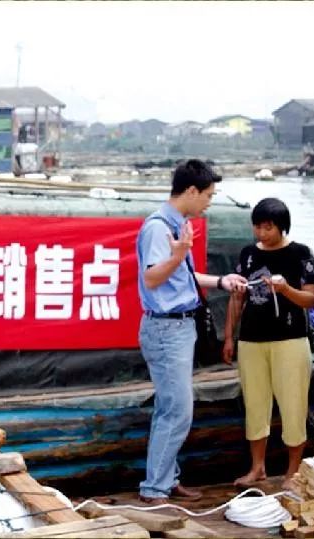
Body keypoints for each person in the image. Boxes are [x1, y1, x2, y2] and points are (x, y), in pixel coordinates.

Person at [135, 159, 247, 504]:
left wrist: (220, 281)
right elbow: (152, 277)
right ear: (191, 191)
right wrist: (178, 254)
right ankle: (155, 488)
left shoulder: (178, 224)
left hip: (179, 327)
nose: (209, 202)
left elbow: (181, 274)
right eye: (208, 195)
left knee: (170, 408)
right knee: (177, 411)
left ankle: (166, 479)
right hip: (166, 329)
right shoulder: (158, 228)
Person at [222, 198, 314, 491]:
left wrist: (285, 289)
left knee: (293, 404)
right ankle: (257, 467)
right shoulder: (248, 254)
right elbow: (237, 298)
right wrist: (229, 337)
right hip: (251, 341)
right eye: (257, 227)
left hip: (290, 340)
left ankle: (293, 471)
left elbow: (311, 299)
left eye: (268, 228)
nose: (261, 233)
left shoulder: (301, 254)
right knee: (255, 404)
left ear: (281, 227)